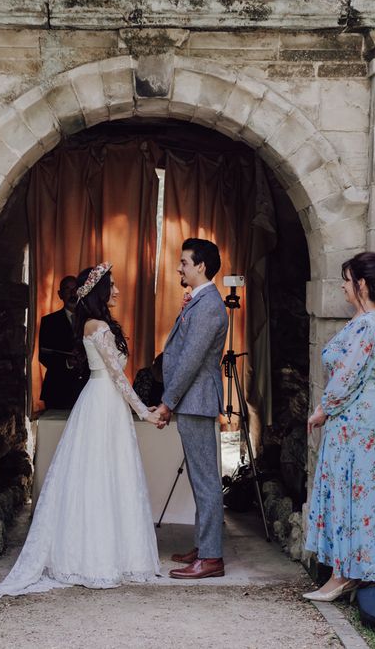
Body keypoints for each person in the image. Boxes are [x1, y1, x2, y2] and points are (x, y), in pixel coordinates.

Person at [0, 262, 163, 601]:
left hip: (104, 403)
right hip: (104, 401)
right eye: (111, 286)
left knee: (107, 475)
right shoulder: (97, 326)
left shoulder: (93, 323)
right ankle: (97, 559)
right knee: (100, 476)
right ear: (99, 291)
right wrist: (145, 411)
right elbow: (117, 376)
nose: (116, 291)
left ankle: (111, 554)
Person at [303, 252, 375, 602]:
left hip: (360, 420)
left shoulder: (370, 324)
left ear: (362, 284)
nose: (342, 285)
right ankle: (350, 570)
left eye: (346, 279)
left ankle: (344, 575)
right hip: (356, 419)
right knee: (352, 490)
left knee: (355, 491)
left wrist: (323, 408)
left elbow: (348, 374)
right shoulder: (363, 321)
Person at [151, 238, 229, 580]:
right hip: (192, 400)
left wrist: (168, 402)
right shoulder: (200, 301)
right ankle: (204, 545)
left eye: (184, 262)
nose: (179, 267)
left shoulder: (210, 305)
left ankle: (211, 557)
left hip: (195, 400)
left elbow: (191, 360)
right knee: (200, 479)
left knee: (206, 480)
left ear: (201, 266)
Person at [38, 275, 86, 410]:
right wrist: (67, 363)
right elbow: (43, 355)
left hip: (87, 389)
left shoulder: (92, 320)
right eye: (67, 289)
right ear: (60, 295)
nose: (72, 293)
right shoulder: (49, 322)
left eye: (75, 289)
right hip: (58, 390)